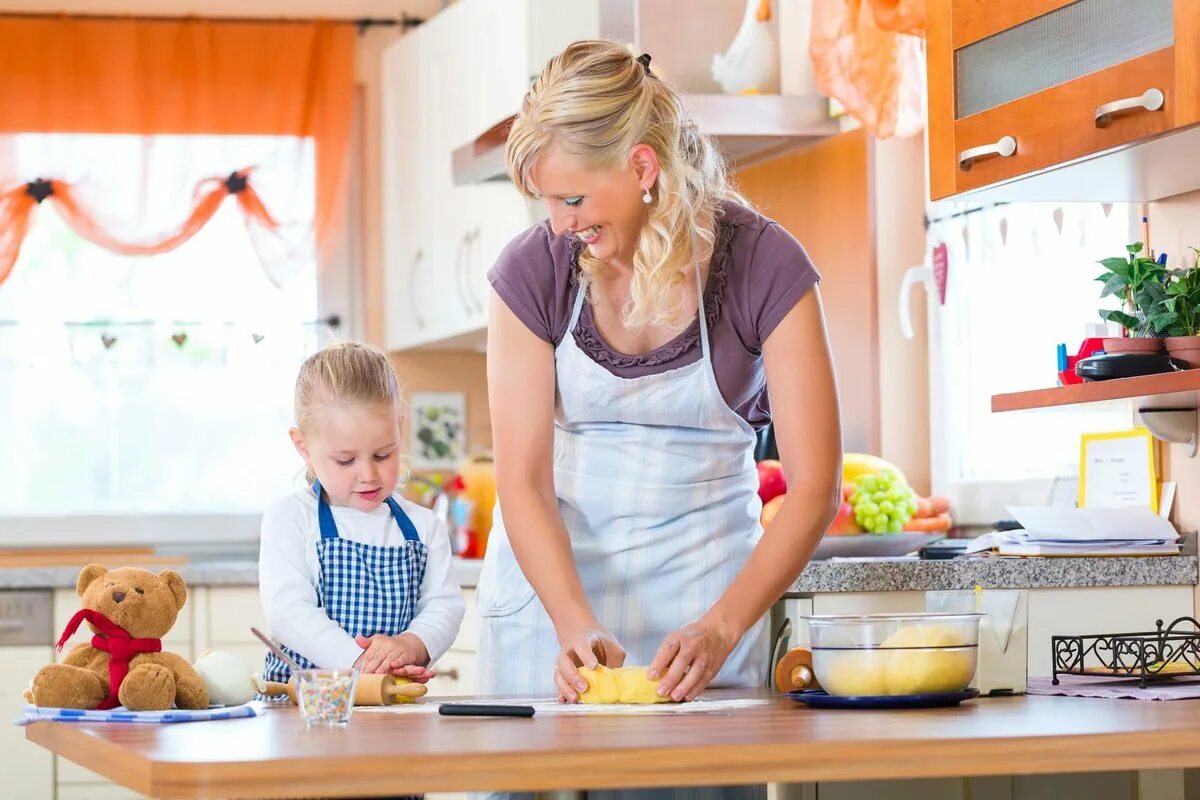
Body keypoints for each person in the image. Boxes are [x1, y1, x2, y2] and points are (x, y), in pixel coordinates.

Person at [477, 39, 841, 797]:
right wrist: (574, 624)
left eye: (572, 199)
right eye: (545, 201)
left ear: (643, 169)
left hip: (703, 606)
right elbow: (522, 478)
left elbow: (814, 486)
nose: (556, 224)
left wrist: (723, 625)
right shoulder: (531, 270)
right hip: (552, 607)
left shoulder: (765, 266)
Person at [259, 342, 465, 687]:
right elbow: (288, 613)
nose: (368, 474)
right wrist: (361, 662)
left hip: (391, 706)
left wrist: (409, 646)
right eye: (345, 460)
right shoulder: (291, 518)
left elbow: (445, 606)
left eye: (384, 455)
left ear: (400, 429)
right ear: (304, 448)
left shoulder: (423, 527)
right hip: (302, 711)